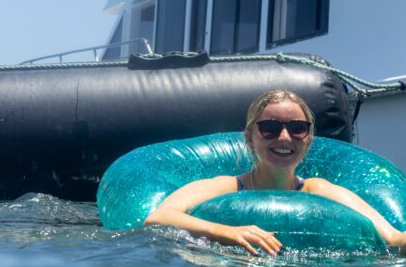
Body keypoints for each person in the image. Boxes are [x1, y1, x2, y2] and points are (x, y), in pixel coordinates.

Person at [144, 89, 406, 255]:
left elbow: (393, 237)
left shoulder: (319, 190)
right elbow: (158, 218)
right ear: (249, 138)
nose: (284, 137)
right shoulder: (227, 187)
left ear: (309, 139)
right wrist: (228, 232)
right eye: (269, 127)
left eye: (297, 128)